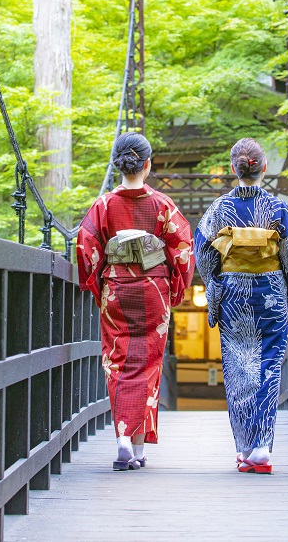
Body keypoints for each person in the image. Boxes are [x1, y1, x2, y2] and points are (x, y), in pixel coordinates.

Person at [77, 132, 194, 470]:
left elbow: (87, 250)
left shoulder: (104, 205)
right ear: (147, 164)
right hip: (154, 291)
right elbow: (183, 252)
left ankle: (127, 442)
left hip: (116, 290)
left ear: (118, 164)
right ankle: (135, 443)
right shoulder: (162, 205)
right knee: (148, 365)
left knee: (118, 362)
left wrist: (99, 286)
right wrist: (175, 288)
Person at [194, 138, 288, 474]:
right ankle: (261, 446)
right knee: (269, 366)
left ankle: (246, 447)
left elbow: (203, 255)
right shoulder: (279, 209)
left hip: (234, 296)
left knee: (238, 367)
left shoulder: (217, 210)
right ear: (264, 169)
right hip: (270, 293)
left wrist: (216, 283)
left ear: (234, 169)